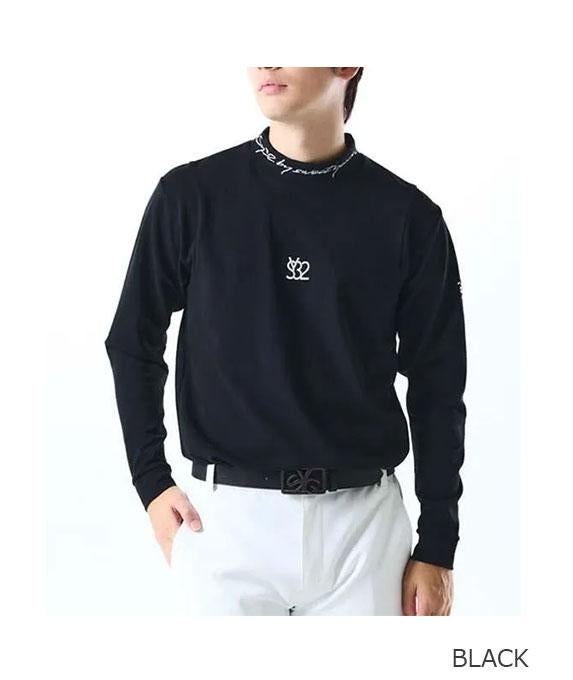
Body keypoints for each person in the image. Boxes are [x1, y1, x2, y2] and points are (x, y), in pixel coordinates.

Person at [104, 67, 467, 616]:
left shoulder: (409, 218)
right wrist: (151, 482)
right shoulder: (191, 196)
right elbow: (133, 340)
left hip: (364, 534)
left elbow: (438, 384)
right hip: (226, 528)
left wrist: (439, 543)